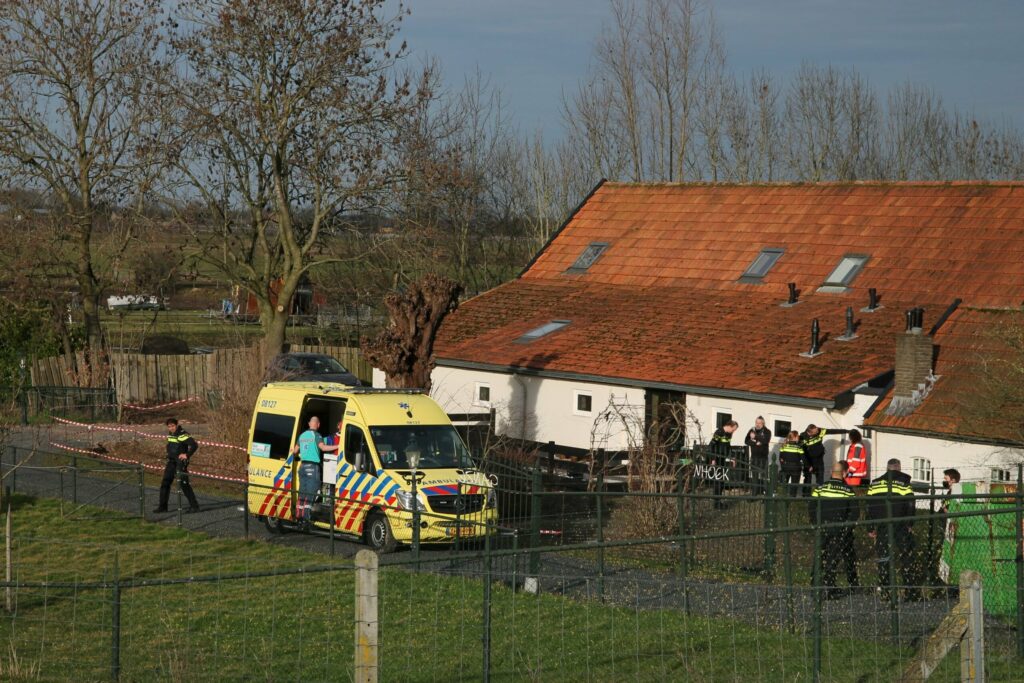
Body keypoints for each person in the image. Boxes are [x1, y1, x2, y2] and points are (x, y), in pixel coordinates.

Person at [866, 458, 917, 600]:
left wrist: (870, 527)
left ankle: (884, 590)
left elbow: (869, 506)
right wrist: (910, 523)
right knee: (906, 555)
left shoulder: (875, 483)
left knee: (883, 557)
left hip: (882, 525)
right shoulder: (904, 483)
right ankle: (910, 590)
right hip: (900, 524)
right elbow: (911, 504)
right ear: (899, 468)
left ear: (887, 468)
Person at [808, 462, 859, 598]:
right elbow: (854, 513)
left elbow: (812, 507)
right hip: (838, 530)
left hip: (821, 528)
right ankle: (829, 588)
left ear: (831, 472)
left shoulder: (820, 488)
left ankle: (815, 585)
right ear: (844, 473)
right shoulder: (847, 491)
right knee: (832, 558)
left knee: (819, 556)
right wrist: (847, 528)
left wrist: (815, 523)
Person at [292, 416, 338, 527]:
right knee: (311, 492)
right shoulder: (316, 435)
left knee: (302, 492)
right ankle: (306, 519)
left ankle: (299, 517)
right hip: (312, 467)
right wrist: (338, 446)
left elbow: (295, 451)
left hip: (302, 467)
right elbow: (323, 448)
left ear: (309, 424)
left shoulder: (302, 436)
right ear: (318, 425)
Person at [154, 417, 200, 514]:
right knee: (165, 483)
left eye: (173, 426)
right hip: (171, 462)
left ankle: (194, 506)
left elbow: (194, 445)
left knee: (184, 484)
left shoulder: (182, 434)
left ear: (177, 425)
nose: (171, 428)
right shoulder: (171, 434)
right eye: (169, 426)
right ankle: (163, 507)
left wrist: (187, 455)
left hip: (180, 463)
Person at [707, 420, 738, 509]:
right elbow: (711, 446)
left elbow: (728, 446)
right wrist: (712, 459)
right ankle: (716, 503)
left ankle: (719, 501)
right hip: (716, 459)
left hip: (722, 459)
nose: (734, 431)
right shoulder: (719, 432)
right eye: (733, 429)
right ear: (729, 426)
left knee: (722, 480)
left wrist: (732, 457)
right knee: (718, 481)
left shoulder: (729, 434)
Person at [744, 417, 772, 485]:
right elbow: (746, 441)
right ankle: (754, 493)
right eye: (756, 422)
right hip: (754, 456)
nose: (757, 424)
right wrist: (755, 443)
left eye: (759, 423)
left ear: (763, 423)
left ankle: (765, 492)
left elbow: (765, 440)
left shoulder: (767, 431)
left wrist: (755, 437)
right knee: (754, 476)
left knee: (764, 476)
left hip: (763, 456)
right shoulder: (752, 430)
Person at [779, 431, 806, 495]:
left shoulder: (784, 446)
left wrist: (783, 466)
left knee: (784, 483)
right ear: (795, 437)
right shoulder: (799, 447)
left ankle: (783, 496)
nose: (799, 437)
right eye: (797, 436)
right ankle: (792, 498)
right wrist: (808, 466)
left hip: (785, 467)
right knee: (794, 484)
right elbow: (803, 459)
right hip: (796, 468)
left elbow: (780, 458)